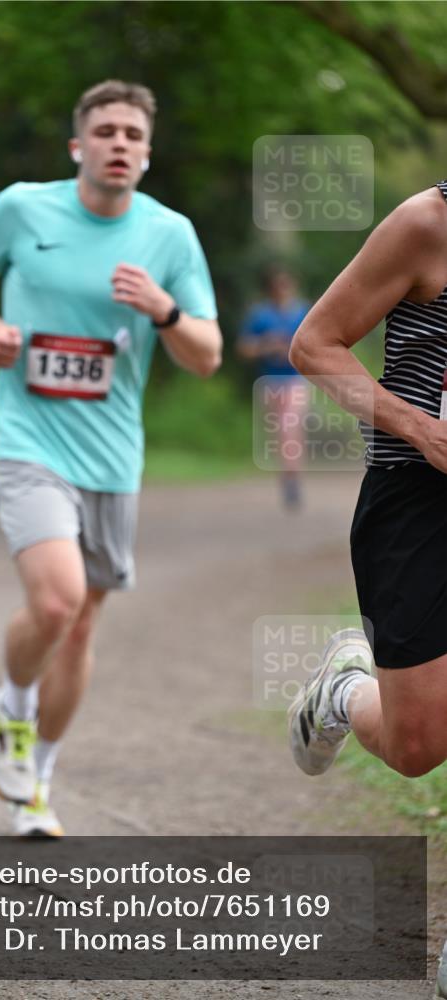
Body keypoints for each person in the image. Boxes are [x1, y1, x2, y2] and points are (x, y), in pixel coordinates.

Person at [0, 80, 221, 837]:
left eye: (132, 133)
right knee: (57, 601)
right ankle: (13, 706)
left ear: (147, 152)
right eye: (105, 131)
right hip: (29, 439)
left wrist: (163, 309)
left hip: (111, 455)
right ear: (78, 146)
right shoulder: (23, 208)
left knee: (83, 624)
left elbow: (207, 355)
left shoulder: (169, 235)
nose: (119, 143)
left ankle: (37, 781)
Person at [286, 181, 447, 998]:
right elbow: (316, 346)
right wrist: (421, 428)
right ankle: (342, 689)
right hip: (416, 500)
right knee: (418, 747)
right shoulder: (426, 224)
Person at [237, 266, 311, 508]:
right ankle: (288, 472)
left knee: (290, 427)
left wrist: (290, 349)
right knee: (281, 432)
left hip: (295, 380)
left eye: (286, 285)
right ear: (272, 289)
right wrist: (267, 346)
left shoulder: (303, 312)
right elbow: (244, 349)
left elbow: (316, 344)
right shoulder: (261, 315)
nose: (283, 290)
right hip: (269, 382)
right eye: (278, 286)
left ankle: (292, 477)